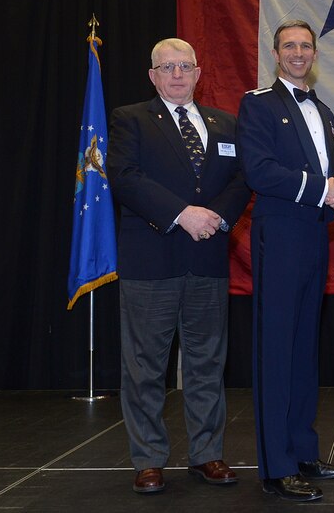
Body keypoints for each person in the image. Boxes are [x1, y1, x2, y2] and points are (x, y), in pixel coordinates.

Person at [107, 38, 251, 494]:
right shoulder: (130, 119)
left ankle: (206, 453)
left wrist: (218, 216)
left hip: (208, 260)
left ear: (198, 71)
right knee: (146, 365)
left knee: (208, 362)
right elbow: (126, 178)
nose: (176, 74)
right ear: (152, 75)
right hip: (152, 262)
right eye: (167, 67)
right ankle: (148, 458)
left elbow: (242, 178)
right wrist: (182, 214)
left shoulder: (226, 124)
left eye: (185, 65)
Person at [236, 20, 334, 502]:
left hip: (316, 236)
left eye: (306, 45)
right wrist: (326, 188)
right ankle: (276, 466)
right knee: (277, 351)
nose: (298, 53)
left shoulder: (322, 110)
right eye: (289, 46)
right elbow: (259, 171)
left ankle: (303, 449)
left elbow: (331, 173)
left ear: (315, 52)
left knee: (305, 348)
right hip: (280, 236)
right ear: (276, 53)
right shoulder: (257, 104)